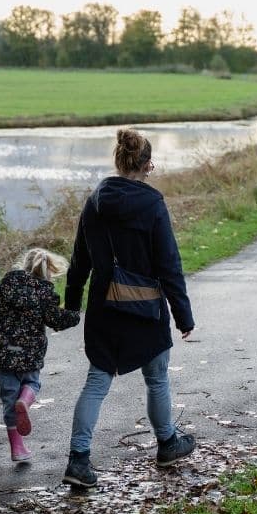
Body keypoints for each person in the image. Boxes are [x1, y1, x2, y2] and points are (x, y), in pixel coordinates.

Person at [62, 128, 196, 487]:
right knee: (157, 378)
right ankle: (167, 443)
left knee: (97, 381)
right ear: (148, 165)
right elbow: (169, 264)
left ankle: (78, 460)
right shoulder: (153, 204)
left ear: (119, 161)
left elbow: (79, 261)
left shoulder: (95, 202)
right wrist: (183, 315)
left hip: (104, 308)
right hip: (145, 309)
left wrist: (72, 304)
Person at [0, 248, 80, 463]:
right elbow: (56, 319)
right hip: (31, 354)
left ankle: (17, 449)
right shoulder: (44, 292)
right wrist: (73, 316)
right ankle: (25, 400)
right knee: (32, 384)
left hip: (5, 353)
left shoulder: (6, 286)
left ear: (23, 265)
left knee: (9, 398)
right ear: (47, 270)